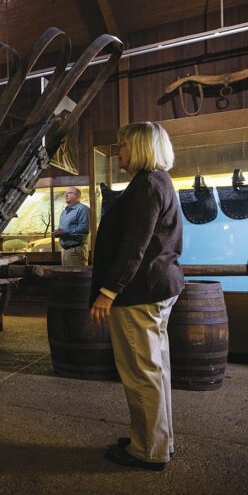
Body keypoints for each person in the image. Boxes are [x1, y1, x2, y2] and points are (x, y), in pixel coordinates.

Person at [89, 122, 184, 471]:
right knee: (155, 371)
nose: (118, 153)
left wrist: (109, 291)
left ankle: (148, 451)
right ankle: (158, 441)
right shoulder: (158, 182)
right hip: (157, 288)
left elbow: (135, 246)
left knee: (141, 373)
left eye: (123, 146)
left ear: (141, 148)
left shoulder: (146, 185)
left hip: (139, 292)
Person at [51, 187, 90, 265]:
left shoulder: (83, 209)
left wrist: (65, 232)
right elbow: (64, 230)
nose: (66, 195)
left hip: (75, 251)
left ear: (77, 195)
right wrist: (58, 233)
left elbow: (84, 229)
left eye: (69, 193)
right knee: (67, 277)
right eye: (65, 193)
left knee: (76, 276)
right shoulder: (64, 211)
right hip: (65, 251)